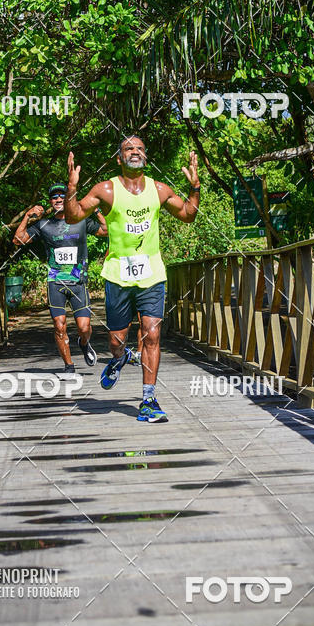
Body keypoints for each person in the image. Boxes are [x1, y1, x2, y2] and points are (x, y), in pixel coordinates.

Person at [64, 136, 200, 422]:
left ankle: (148, 400)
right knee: (116, 341)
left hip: (152, 273)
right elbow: (73, 216)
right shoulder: (106, 190)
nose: (135, 152)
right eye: (128, 148)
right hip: (118, 275)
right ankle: (120, 357)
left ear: (145, 157)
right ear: (119, 158)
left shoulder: (159, 190)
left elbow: (188, 215)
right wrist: (72, 190)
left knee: (152, 333)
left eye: (139, 149)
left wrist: (195, 188)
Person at [13, 183, 107, 373]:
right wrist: (27, 216)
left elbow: (105, 231)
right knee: (59, 325)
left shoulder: (82, 220)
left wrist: (95, 210)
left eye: (62, 195)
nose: (58, 199)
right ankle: (69, 366)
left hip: (78, 282)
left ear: (69, 198)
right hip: (55, 283)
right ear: (50, 201)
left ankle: (84, 343)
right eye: (54, 197)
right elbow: (18, 240)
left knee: (84, 328)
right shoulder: (44, 225)